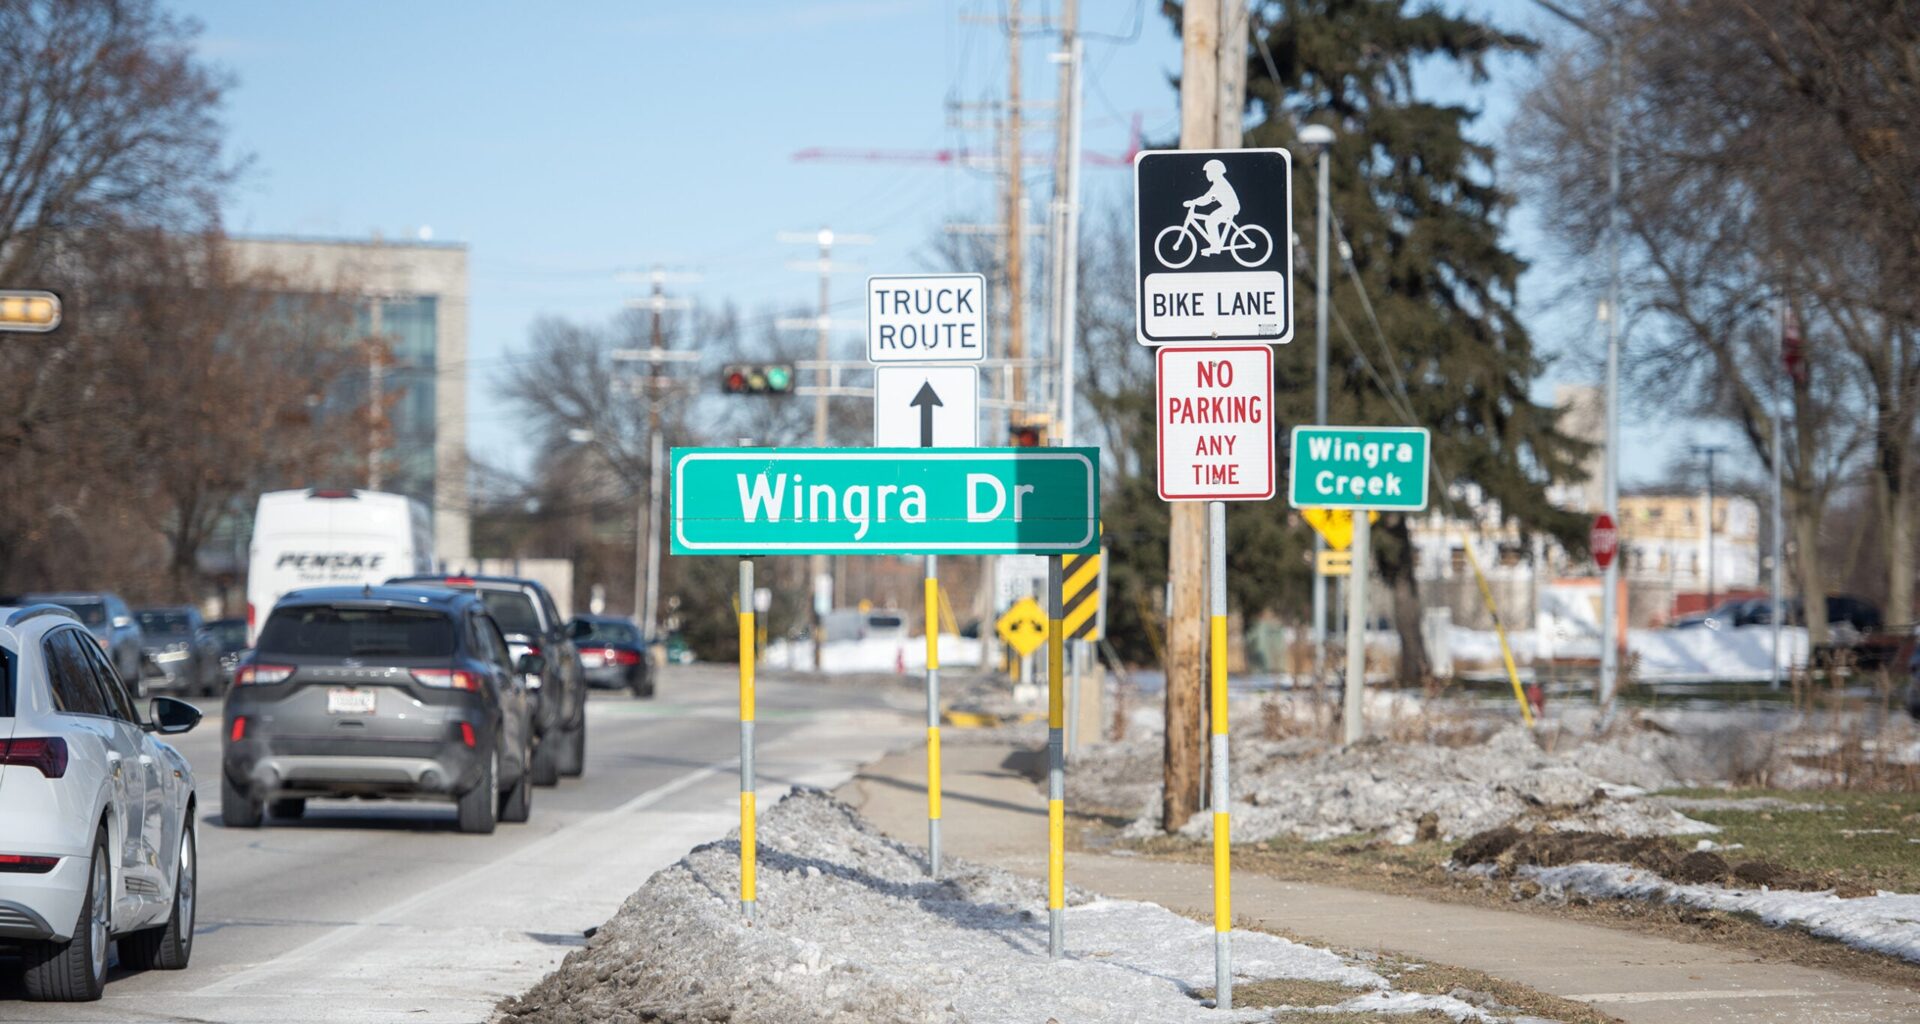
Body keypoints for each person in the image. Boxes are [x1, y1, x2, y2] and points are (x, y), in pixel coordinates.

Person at [1181, 158, 1241, 256]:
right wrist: (1195, 202)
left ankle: (1215, 247)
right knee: (1210, 220)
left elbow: (1208, 199)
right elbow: (1210, 197)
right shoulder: (1219, 183)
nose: (1207, 174)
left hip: (1230, 207)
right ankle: (1215, 245)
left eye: (1208, 172)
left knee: (1210, 222)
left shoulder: (1219, 184)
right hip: (1229, 207)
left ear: (1215, 172)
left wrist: (1193, 202)